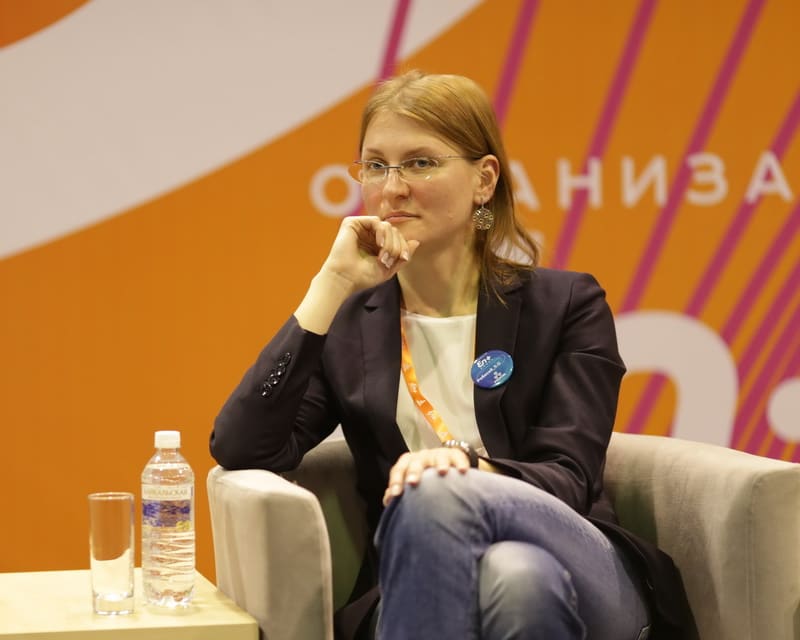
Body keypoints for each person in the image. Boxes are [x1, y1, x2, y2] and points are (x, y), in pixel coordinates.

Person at [210, 70, 690, 640]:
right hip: (423, 582)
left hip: (579, 558)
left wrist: (464, 470)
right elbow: (242, 445)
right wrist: (330, 285)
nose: (392, 188)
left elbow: (569, 475)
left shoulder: (565, 305)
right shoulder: (352, 325)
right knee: (518, 581)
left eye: (420, 163)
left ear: (484, 180)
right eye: (376, 165)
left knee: (440, 493)